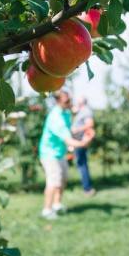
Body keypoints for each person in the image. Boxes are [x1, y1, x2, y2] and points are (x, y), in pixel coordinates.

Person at [38, 91, 94, 220]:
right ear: (58, 102)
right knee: (53, 181)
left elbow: (70, 131)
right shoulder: (56, 117)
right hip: (49, 153)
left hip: (60, 152)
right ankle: (47, 210)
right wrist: (83, 143)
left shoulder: (66, 113)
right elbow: (68, 140)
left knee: (63, 178)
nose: (69, 103)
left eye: (70, 100)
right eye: (66, 101)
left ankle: (57, 204)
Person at [71, 96, 96, 196]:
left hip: (81, 141)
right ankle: (87, 187)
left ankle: (87, 188)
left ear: (82, 102)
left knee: (81, 164)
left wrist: (77, 130)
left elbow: (90, 124)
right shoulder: (82, 111)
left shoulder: (86, 111)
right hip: (79, 141)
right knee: (82, 163)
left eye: (78, 100)